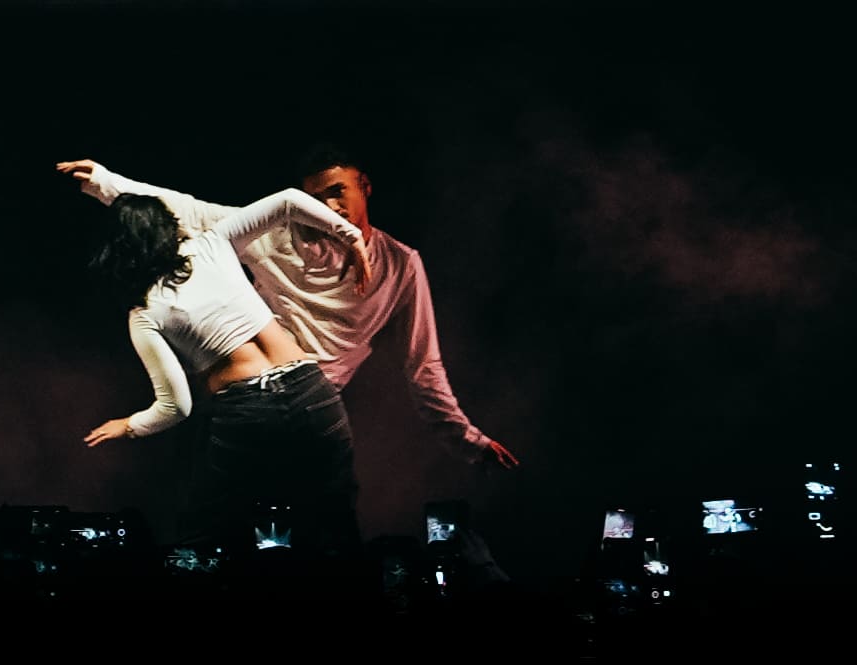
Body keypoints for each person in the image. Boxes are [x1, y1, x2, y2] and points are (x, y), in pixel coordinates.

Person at [59, 150, 519, 474]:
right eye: (317, 198)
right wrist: (106, 182)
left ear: (365, 187)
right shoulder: (274, 236)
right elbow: (191, 210)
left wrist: (467, 439)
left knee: (318, 524)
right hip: (251, 396)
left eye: (338, 192)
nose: (329, 207)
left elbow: (423, 364)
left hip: (313, 398)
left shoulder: (402, 264)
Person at [66, 169, 369, 553]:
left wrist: (128, 426)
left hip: (247, 412)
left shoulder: (144, 312)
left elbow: (176, 407)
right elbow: (289, 201)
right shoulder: (213, 243)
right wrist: (351, 236)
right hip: (312, 392)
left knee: (208, 531)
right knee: (335, 522)